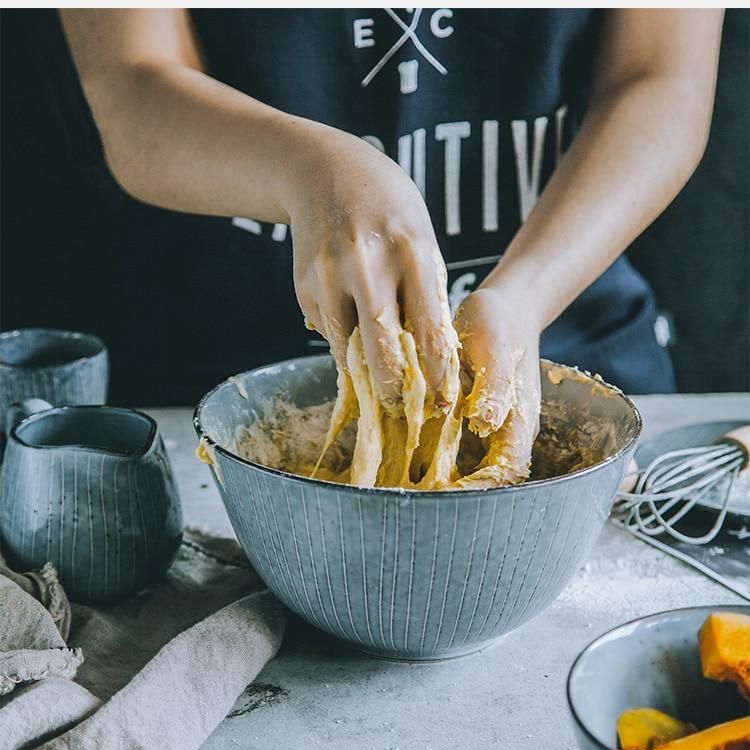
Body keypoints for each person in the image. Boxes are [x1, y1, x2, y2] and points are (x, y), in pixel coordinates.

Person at [60, 8, 723, 474]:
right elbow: (132, 79)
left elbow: (661, 79)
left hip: (579, 352)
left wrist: (527, 293)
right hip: (230, 391)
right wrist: (308, 167)